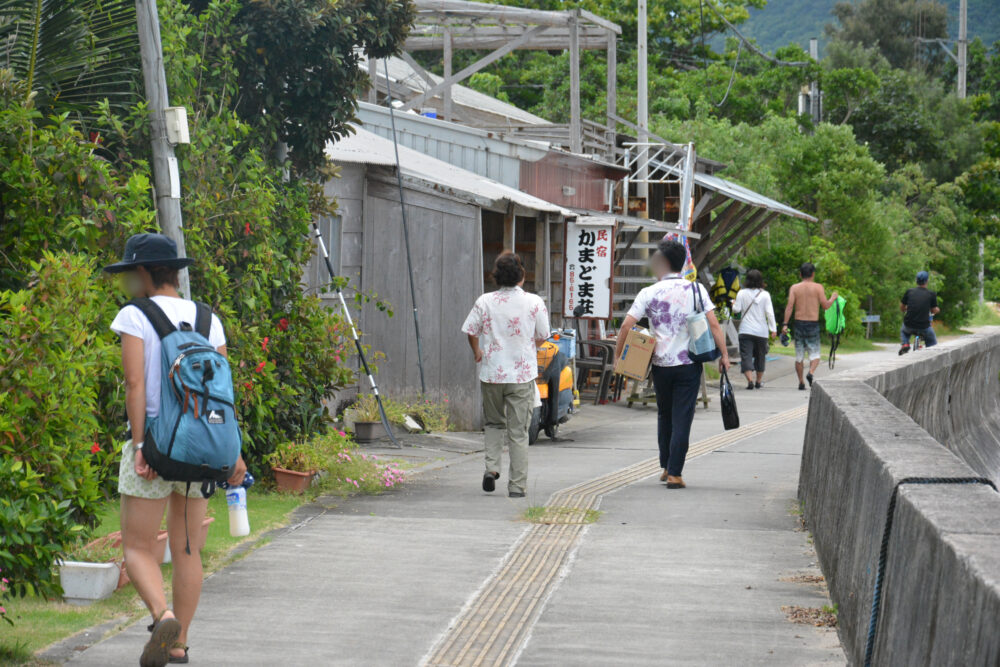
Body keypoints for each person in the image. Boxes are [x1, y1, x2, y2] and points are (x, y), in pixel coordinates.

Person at [104, 233, 247, 667]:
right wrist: (234, 453)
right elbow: (223, 394)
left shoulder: (135, 315)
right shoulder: (208, 318)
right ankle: (180, 642)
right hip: (201, 447)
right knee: (187, 548)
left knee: (138, 547)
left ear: (145, 272)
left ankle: (161, 615)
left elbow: (134, 384)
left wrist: (141, 444)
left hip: (157, 447)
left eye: (132, 273)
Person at [615, 240, 730, 490]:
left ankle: (667, 466)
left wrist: (619, 357)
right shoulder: (696, 290)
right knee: (682, 418)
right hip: (688, 364)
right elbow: (713, 324)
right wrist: (724, 355)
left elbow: (626, 326)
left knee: (665, 414)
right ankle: (675, 473)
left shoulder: (649, 292)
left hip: (659, 364)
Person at [462, 252, 550, 498]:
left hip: (491, 373)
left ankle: (491, 469)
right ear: (521, 275)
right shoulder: (534, 303)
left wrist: (477, 351)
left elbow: (471, 331)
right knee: (518, 432)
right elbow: (543, 334)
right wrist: (529, 346)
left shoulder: (485, 301)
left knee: (493, 423)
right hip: (521, 375)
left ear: (497, 277)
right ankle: (517, 486)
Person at [781, 263, 838, 391]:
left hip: (799, 323)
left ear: (800, 274)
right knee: (815, 354)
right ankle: (811, 372)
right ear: (813, 274)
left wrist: (785, 324)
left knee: (799, 356)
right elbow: (825, 305)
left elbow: (789, 306)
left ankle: (801, 382)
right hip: (812, 323)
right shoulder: (818, 287)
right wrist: (833, 298)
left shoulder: (794, 288)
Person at [732, 269, 777, 390]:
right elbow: (770, 313)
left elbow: (736, 310)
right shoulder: (765, 295)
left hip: (745, 330)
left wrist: (733, 304)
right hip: (761, 332)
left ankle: (750, 381)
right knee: (760, 357)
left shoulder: (741, 293)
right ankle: (758, 381)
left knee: (746, 356)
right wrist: (773, 329)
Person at [899, 271, 939, 354]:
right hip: (924, 326)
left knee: (903, 331)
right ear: (927, 281)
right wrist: (937, 310)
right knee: (932, 342)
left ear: (916, 280)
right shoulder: (931, 294)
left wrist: (906, 309)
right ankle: (932, 353)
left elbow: (902, 307)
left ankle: (905, 344)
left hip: (909, 325)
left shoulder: (909, 292)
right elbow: (934, 310)